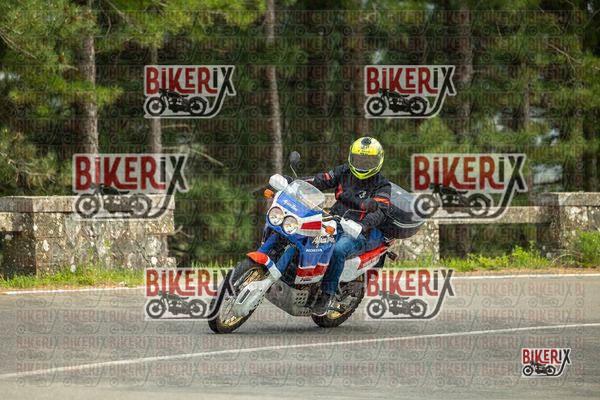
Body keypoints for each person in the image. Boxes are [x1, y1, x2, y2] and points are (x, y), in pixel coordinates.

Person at [307, 136, 391, 316]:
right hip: (334, 220)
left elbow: (380, 211)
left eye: (368, 161)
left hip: (358, 231)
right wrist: (294, 182)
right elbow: (322, 180)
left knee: (338, 250)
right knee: (304, 234)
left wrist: (363, 225)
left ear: (378, 161)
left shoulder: (382, 185)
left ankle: (327, 294)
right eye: (359, 159)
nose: (363, 164)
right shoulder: (344, 171)